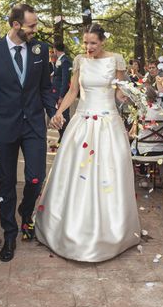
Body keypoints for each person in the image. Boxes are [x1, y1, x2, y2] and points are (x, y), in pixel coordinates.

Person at [36, 23, 141, 261]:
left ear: (102, 41)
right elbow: (73, 91)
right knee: (76, 172)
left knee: (109, 172)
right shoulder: (79, 61)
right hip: (82, 122)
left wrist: (134, 99)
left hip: (108, 124)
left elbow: (119, 92)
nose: (89, 47)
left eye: (93, 43)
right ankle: (70, 228)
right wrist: (59, 111)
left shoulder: (116, 60)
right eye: (86, 43)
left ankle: (113, 231)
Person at [0, 3, 58, 262]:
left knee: (36, 177)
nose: (35, 30)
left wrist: (54, 112)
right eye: (31, 25)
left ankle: (26, 211)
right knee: (7, 182)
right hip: (3, 126)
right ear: (15, 25)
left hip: (34, 124)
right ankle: (9, 233)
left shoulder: (40, 50)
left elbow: (45, 87)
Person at [52, 42, 72, 140]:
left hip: (61, 93)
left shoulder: (65, 61)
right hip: (56, 92)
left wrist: (61, 96)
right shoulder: (59, 60)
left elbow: (65, 80)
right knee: (59, 114)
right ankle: (61, 135)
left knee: (64, 114)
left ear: (55, 49)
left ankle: (65, 136)